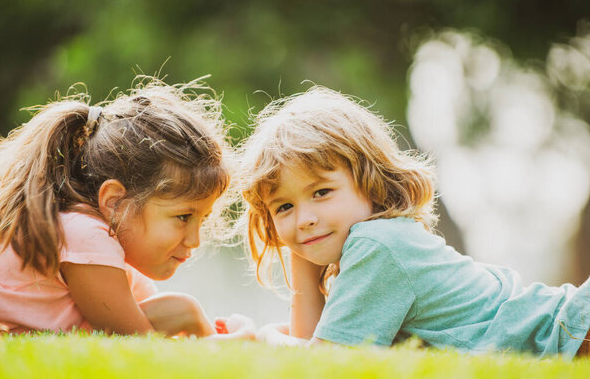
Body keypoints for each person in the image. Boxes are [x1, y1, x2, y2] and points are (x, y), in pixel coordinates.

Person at [239, 86, 590, 358]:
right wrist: (303, 257)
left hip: (574, 329)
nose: (304, 219)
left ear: (370, 183)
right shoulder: (379, 241)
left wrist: (266, 338)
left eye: (321, 193)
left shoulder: (378, 245)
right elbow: (318, 341)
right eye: (284, 206)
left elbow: (327, 361)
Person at [0, 77, 254, 339]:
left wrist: (193, 321)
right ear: (115, 201)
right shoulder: (85, 234)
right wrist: (229, 339)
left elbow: (146, 325)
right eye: (183, 217)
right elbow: (139, 343)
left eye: (202, 219)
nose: (195, 240)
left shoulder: (105, 246)